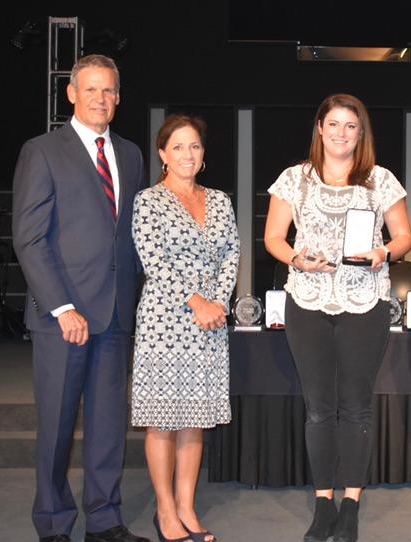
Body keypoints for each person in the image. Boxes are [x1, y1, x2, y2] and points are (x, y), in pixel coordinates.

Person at [12, 54, 150, 542]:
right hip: (62, 318)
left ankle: (105, 520)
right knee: (55, 425)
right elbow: (29, 239)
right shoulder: (42, 151)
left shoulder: (131, 155)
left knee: (108, 426)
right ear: (71, 94)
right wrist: (62, 307)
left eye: (108, 90)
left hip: (114, 314)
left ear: (119, 97)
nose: (100, 99)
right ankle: (53, 523)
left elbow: (131, 236)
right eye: (90, 89)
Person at [264, 94, 411, 542]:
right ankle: (323, 502)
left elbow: (404, 237)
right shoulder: (294, 178)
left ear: (361, 132)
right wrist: (296, 259)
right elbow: (273, 237)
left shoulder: (381, 180)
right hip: (307, 301)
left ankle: (351, 504)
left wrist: (383, 253)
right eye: (334, 124)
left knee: (356, 406)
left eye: (351, 126)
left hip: (364, 303)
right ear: (320, 128)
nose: (341, 133)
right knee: (318, 409)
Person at [132, 114, 240, 542]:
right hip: (165, 321)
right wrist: (197, 302)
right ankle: (165, 512)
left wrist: (218, 303)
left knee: (195, 417)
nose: (187, 154)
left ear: (203, 153)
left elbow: (232, 253)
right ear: (163, 154)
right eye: (177, 147)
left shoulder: (219, 201)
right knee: (163, 418)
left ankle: (186, 507)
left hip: (210, 322)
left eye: (194, 146)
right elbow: (153, 261)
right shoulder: (148, 201)